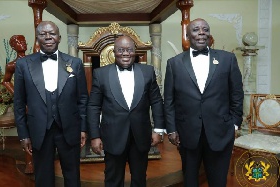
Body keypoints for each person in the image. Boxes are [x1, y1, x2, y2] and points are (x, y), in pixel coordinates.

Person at [164, 18, 244, 187]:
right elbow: (169, 100)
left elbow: (236, 93)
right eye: (196, 30)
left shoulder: (227, 59)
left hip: (220, 131)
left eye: (205, 29)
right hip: (187, 133)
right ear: (187, 35)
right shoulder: (174, 63)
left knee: (218, 181)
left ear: (209, 34)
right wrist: (171, 129)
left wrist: (235, 124)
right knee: (190, 180)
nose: (201, 33)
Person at [14, 21, 88, 187]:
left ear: (59, 37)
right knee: (43, 178)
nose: (48, 37)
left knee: (73, 176)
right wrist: (23, 134)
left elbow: (83, 99)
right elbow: (19, 103)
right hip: (39, 131)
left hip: (69, 129)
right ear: (37, 38)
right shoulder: (23, 65)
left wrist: (83, 128)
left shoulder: (74, 63)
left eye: (52, 33)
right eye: (43, 34)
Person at [87, 35, 165, 187]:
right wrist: (94, 136)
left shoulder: (147, 72)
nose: (125, 53)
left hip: (141, 136)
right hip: (112, 136)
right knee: (113, 179)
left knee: (139, 178)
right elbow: (93, 106)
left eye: (129, 50)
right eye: (121, 50)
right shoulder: (100, 74)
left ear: (135, 51)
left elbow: (156, 101)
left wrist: (158, 129)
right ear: (113, 51)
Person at [2, 35, 35, 174]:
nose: (23, 44)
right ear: (13, 46)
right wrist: (17, 95)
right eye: (18, 42)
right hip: (23, 100)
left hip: (36, 99)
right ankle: (29, 162)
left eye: (23, 41)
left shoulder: (34, 59)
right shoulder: (12, 65)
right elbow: (6, 81)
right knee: (26, 131)